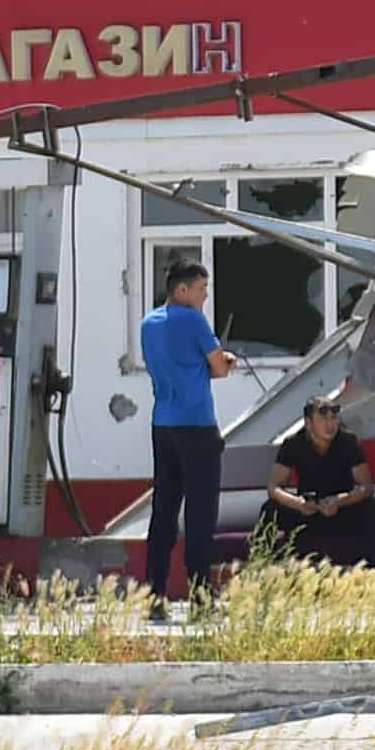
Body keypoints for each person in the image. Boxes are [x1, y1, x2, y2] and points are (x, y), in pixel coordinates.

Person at [138, 259, 237, 614]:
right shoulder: (192, 319)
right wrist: (226, 359)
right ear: (182, 289)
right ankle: (200, 596)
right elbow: (218, 368)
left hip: (162, 424)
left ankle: (154, 594)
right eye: (201, 289)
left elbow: (177, 365)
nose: (205, 296)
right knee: (199, 514)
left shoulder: (149, 323)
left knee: (163, 511)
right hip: (196, 424)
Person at [258, 396, 375, 563]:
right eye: (323, 419)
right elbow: (274, 487)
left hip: (340, 509)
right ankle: (261, 566)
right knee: (269, 509)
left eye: (333, 418)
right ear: (309, 423)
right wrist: (298, 503)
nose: (330, 424)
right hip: (308, 510)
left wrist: (340, 501)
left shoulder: (348, 441)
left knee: (372, 508)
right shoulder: (293, 443)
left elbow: (366, 487)